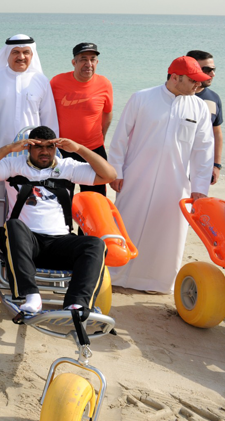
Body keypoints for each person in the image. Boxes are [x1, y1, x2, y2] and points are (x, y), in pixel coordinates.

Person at [0, 126, 117, 313]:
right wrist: (9, 148)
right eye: (39, 147)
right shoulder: (15, 165)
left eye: (50, 147)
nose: (45, 152)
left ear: (56, 148)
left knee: (95, 245)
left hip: (60, 243)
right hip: (25, 243)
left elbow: (109, 175)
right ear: (29, 148)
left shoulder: (67, 167)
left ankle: (77, 303)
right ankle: (31, 295)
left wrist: (79, 149)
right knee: (13, 226)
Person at [108, 57, 214, 294]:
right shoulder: (142, 97)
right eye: (193, 80)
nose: (199, 85)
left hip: (176, 182)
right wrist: (116, 170)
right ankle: (116, 273)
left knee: (168, 233)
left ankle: (157, 281)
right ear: (175, 77)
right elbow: (121, 136)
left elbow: (203, 150)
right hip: (136, 174)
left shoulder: (199, 108)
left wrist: (199, 188)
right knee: (127, 222)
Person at [0, 34, 59, 221]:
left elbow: (49, 120)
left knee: (27, 200)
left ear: (32, 55)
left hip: (30, 155)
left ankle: (22, 242)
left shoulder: (40, 80)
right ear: (7, 54)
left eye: (26, 52)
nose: (21, 56)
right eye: (15, 52)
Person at [50, 42, 113, 196]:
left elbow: (107, 113)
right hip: (62, 150)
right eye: (83, 59)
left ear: (97, 62)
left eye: (92, 59)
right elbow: (45, 110)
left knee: (95, 199)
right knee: (60, 199)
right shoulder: (57, 82)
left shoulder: (104, 84)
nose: (88, 64)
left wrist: (102, 136)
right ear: (74, 62)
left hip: (93, 150)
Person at [188, 50, 221, 184]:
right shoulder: (175, 97)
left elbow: (217, 133)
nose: (212, 74)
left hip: (201, 169)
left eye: (213, 69)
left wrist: (217, 165)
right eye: (207, 70)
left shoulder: (214, 98)